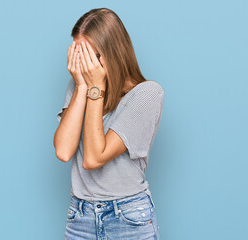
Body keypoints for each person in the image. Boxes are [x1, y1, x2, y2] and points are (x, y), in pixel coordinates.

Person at [53, 8, 164, 240]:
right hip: (80, 216)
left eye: (90, 56)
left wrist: (95, 88)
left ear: (112, 53)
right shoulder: (79, 86)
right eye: (78, 54)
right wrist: (82, 87)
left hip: (128, 217)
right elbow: (63, 151)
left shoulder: (147, 94)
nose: (84, 65)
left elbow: (94, 157)